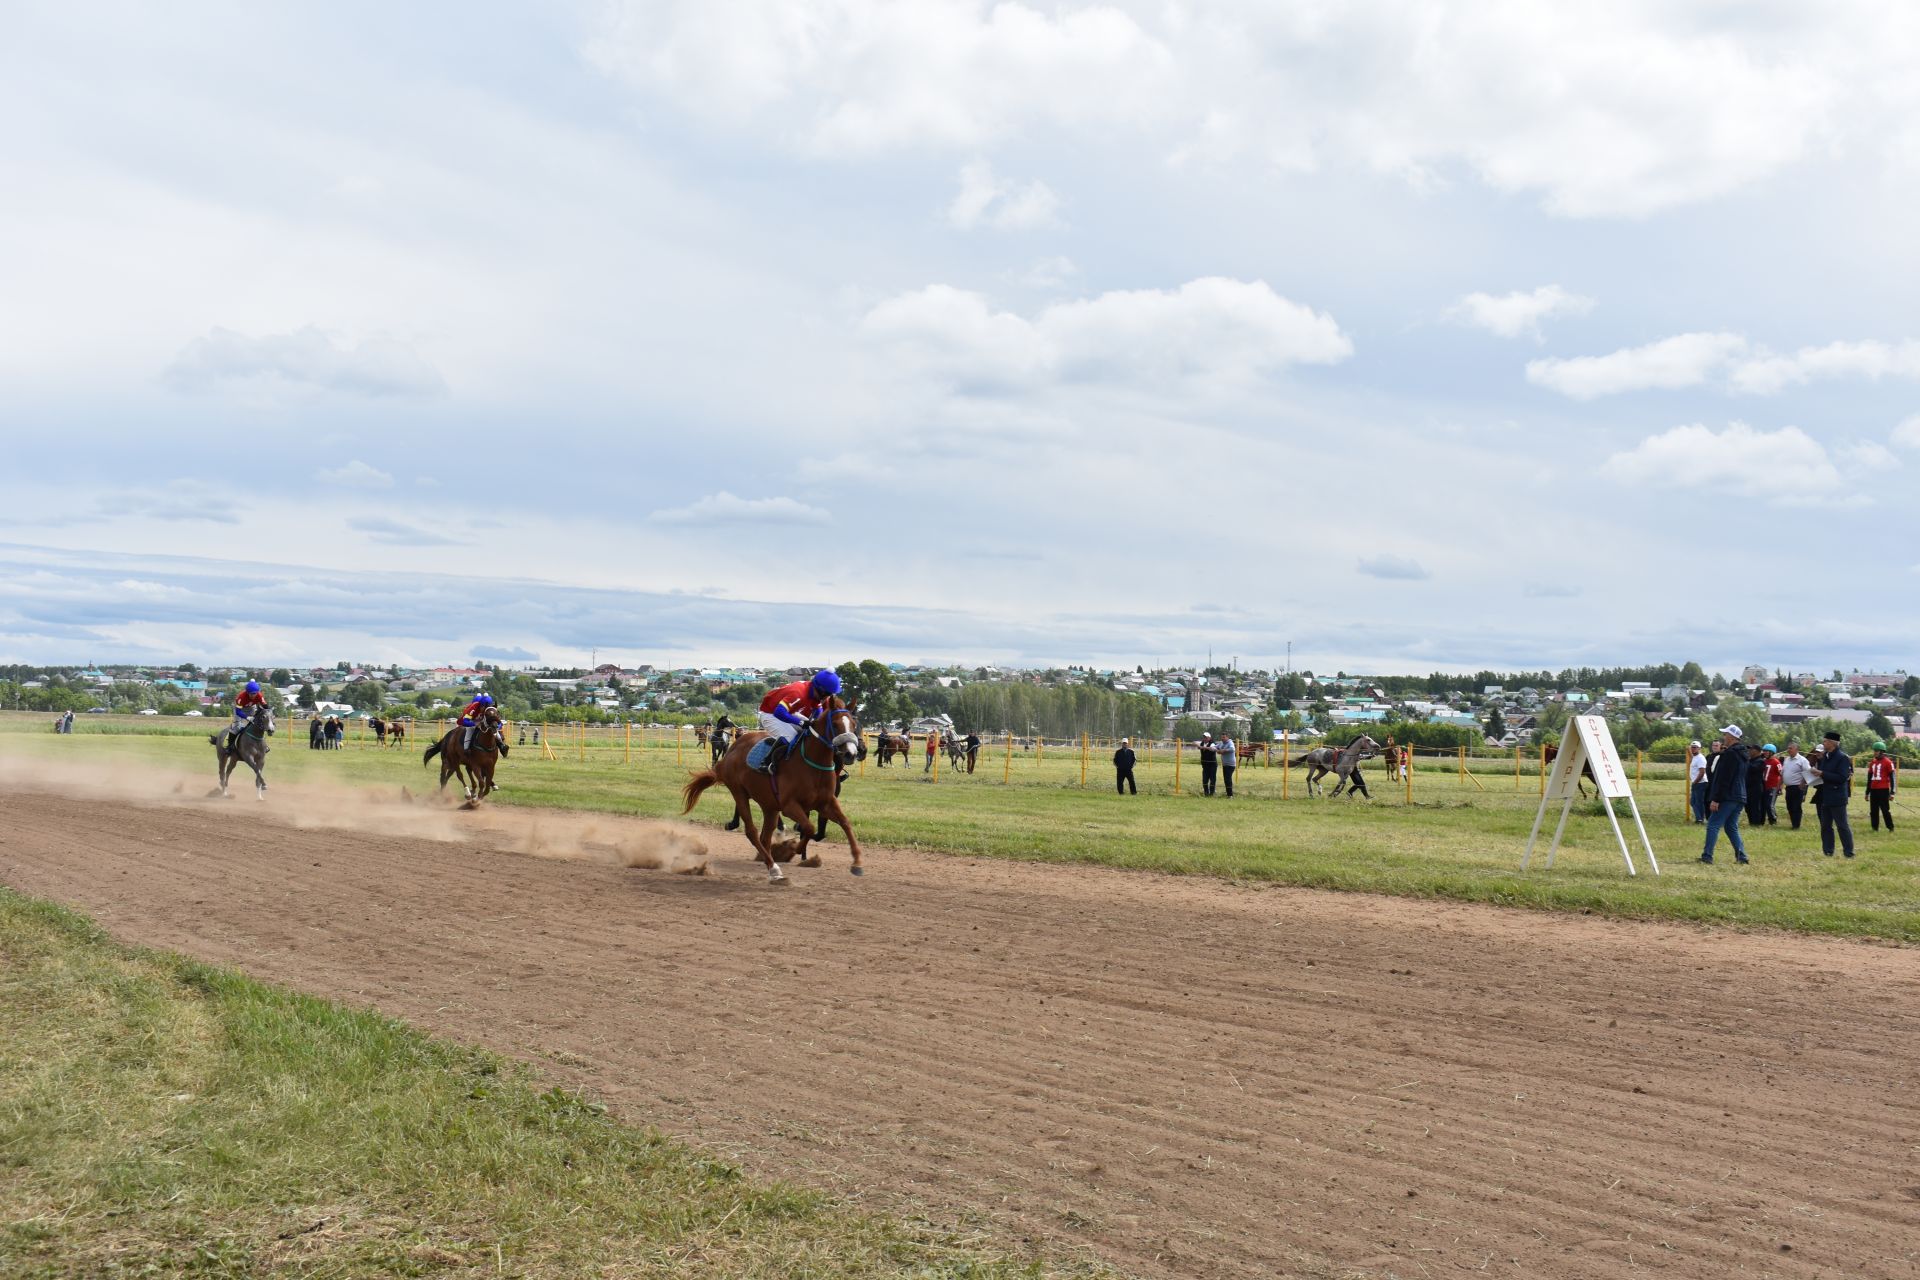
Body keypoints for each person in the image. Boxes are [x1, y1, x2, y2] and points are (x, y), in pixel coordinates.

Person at [755, 669, 842, 774]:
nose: (827, 698)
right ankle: (766, 762)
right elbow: (779, 712)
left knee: (813, 730)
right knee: (791, 736)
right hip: (770, 714)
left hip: (789, 712)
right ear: (820, 690)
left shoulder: (814, 692)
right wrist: (800, 722)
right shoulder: (799, 693)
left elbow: (818, 712)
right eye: (827, 694)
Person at [1700, 725, 1749, 865]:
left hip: (1728, 796)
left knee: (1713, 824)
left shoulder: (1729, 754)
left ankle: (1707, 856)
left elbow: (1724, 778)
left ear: (1732, 737)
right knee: (1730, 826)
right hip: (1740, 795)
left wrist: (1716, 798)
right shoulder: (1743, 755)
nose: (1724, 738)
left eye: (1726, 735)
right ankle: (1742, 856)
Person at [1816, 730, 1855, 858]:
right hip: (1826, 795)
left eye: (1825, 741)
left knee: (1842, 826)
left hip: (1837, 797)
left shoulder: (1842, 758)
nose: (1824, 743)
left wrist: (1821, 774)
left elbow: (1842, 777)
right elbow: (1824, 773)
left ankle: (1848, 852)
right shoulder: (1826, 757)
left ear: (1832, 743)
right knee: (1825, 826)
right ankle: (1828, 851)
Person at [1778, 740, 1814, 830]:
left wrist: (1803, 783)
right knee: (1789, 806)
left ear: (1796, 749)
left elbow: (1808, 772)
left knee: (1796, 806)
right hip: (1789, 787)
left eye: (1790, 748)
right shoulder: (1786, 760)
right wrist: (1780, 785)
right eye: (1788, 748)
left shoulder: (1802, 760)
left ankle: (1796, 825)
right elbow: (1783, 773)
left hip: (1798, 787)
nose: (1788, 750)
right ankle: (1793, 822)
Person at [1865, 740, 1896, 833]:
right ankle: (1875, 828)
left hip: (1883, 790)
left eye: (1876, 751)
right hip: (1874, 790)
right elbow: (1869, 779)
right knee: (1873, 811)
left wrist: (1892, 792)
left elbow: (1892, 778)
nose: (1874, 752)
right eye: (1874, 750)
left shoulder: (1888, 762)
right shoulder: (1872, 763)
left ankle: (1890, 827)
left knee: (1885, 810)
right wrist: (1867, 793)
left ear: (1882, 752)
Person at [230, 679, 268, 744]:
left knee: (257, 725)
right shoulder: (241, 698)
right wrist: (247, 717)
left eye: (254, 694)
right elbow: (238, 711)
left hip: (251, 707)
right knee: (237, 728)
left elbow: (265, 706)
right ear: (247, 692)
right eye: (251, 694)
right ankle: (229, 747)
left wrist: (269, 713)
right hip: (240, 709)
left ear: (257, 692)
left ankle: (262, 744)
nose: (253, 696)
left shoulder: (259, 695)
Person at [1743, 742, 1770, 827]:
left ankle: (1756, 823)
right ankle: (1751, 822)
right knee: (1748, 807)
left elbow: (1753, 768)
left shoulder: (1760, 761)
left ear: (1757, 751)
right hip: (1747, 787)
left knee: (1755, 806)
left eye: (1751, 749)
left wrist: (1746, 760)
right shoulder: (1750, 760)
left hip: (1756, 788)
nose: (1749, 751)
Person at [1760, 743, 1782, 825]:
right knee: (1763, 804)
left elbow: (1781, 774)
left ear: (1771, 752)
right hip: (1764, 786)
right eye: (1764, 751)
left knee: (1769, 805)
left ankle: (1773, 820)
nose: (1764, 753)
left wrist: (1779, 787)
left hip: (1773, 787)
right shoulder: (1764, 761)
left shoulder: (1776, 762)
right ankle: (1762, 820)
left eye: (1766, 751)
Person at [1686, 741, 1708, 822]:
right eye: (1692, 747)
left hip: (1700, 783)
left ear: (1699, 748)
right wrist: (1688, 751)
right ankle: (1699, 818)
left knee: (1698, 802)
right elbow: (1692, 758)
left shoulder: (1701, 758)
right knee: (1693, 802)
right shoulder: (1695, 757)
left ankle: (1700, 819)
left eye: (1695, 747)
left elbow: (1702, 772)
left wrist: (1695, 782)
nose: (1693, 748)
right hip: (1696, 782)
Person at [1198, 732, 1218, 797]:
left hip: (1212, 765)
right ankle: (1206, 793)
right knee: (1204, 780)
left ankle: (1212, 793)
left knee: (1212, 779)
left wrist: (1202, 747)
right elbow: (1194, 743)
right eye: (1204, 737)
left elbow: (1212, 749)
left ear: (1209, 738)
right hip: (1205, 765)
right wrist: (1198, 745)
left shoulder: (1212, 743)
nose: (1205, 738)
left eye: (1206, 737)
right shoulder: (1202, 743)